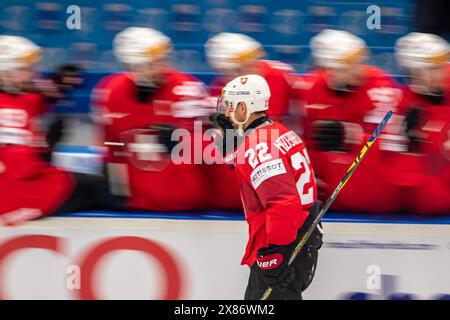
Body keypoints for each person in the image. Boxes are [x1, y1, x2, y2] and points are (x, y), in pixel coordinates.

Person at [212, 74, 323, 300]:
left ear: (244, 108)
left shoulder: (257, 145)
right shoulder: (279, 131)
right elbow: (262, 176)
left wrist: (275, 252)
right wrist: (235, 147)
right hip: (300, 235)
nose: (226, 113)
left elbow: (282, 201)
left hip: (285, 243)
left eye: (231, 106)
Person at [92, 27, 213, 211]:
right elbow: (111, 146)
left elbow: (221, 148)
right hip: (136, 202)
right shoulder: (110, 91)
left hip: (185, 202)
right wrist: (112, 182)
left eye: (162, 60)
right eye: (151, 63)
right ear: (131, 65)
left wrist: (186, 143)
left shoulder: (187, 90)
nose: (160, 67)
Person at [0, 35, 107, 225]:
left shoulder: (15, 93)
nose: (32, 73)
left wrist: (60, 83)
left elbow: (34, 98)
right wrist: (46, 146)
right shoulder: (8, 110)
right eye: (25, 70)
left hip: (15, 184)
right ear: (5, 74)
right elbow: (21, 167)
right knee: (101, 188)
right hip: (17, 193)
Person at [300, 29, 403, 213]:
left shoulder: (380, 88)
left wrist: (352, 136)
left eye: (358, 62)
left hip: (369, 191)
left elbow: (392, 146)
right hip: (327, 196)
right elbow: (304, 139)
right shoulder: (310, 87)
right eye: (347, 66)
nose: (358, 69)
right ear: (328, 68)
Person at [395, 32, 450, 214]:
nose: (439, 73)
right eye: (430, 69)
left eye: (439, 66)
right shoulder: (401, 106)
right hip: (431, 203)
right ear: (413, 72)